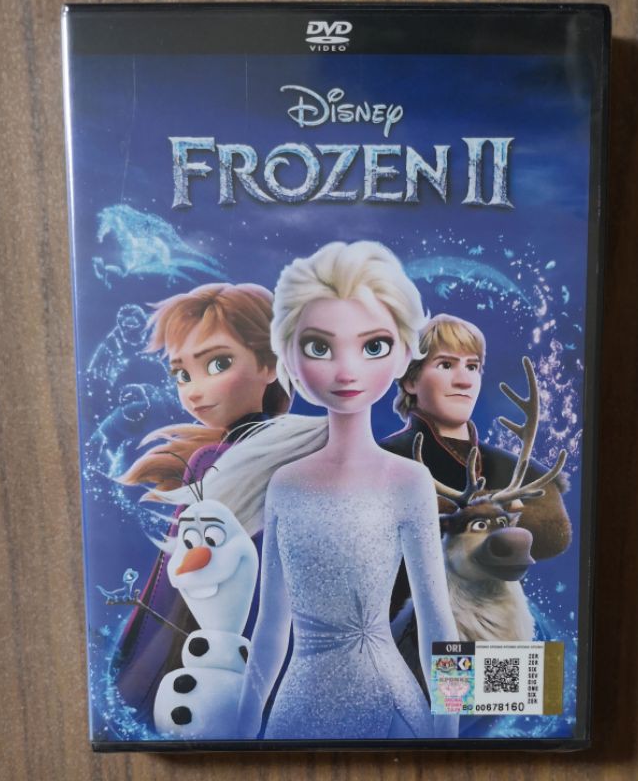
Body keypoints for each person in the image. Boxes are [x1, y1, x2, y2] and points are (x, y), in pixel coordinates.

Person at [161, 241, 459, 740]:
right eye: (319, 347)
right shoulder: (286, 483)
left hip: (392, 705)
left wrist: (449, 732)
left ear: (404, 354)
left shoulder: (409, 481)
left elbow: (437, 621)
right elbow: (271, 626)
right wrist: (245, 728)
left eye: (374, 346)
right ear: (289, 360)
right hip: (298, 705)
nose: (346, 371)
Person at [115, 282, 290, 722]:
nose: (193, 391)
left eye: (218, 363)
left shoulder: (218, 459)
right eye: (182, 374)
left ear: (270, 364)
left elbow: (169, 589)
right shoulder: (220, 457)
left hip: (217, 641)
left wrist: (134, 669)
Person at [380, 313, 571, 617]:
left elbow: (554, 535)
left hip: (495, 631)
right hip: (403, 634)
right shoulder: (380, 461)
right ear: (410, 380)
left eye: (472, 366)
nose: (464, 380)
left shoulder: (513, 468)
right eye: (446, 365)